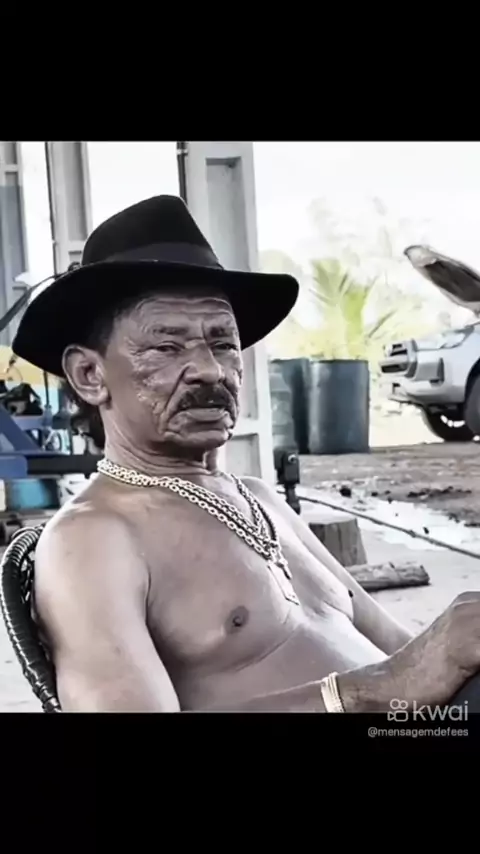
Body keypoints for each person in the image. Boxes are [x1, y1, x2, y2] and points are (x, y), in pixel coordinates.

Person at [12, 195, 480, 713]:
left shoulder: (262, 500)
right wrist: (368, 691)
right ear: (89, 375)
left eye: (223, 344)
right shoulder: (91, 538)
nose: (210, 370)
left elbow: (406, 655)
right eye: (167, 347)